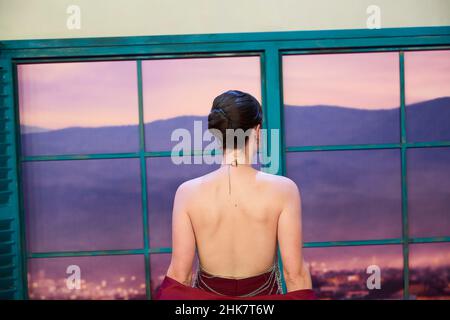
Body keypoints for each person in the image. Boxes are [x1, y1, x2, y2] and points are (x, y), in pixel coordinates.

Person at [156, 90, 315, 300]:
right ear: (257, 131)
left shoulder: (187, 193)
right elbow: (294, 275)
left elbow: (181, 275)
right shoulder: (284, 190)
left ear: (215, 134)